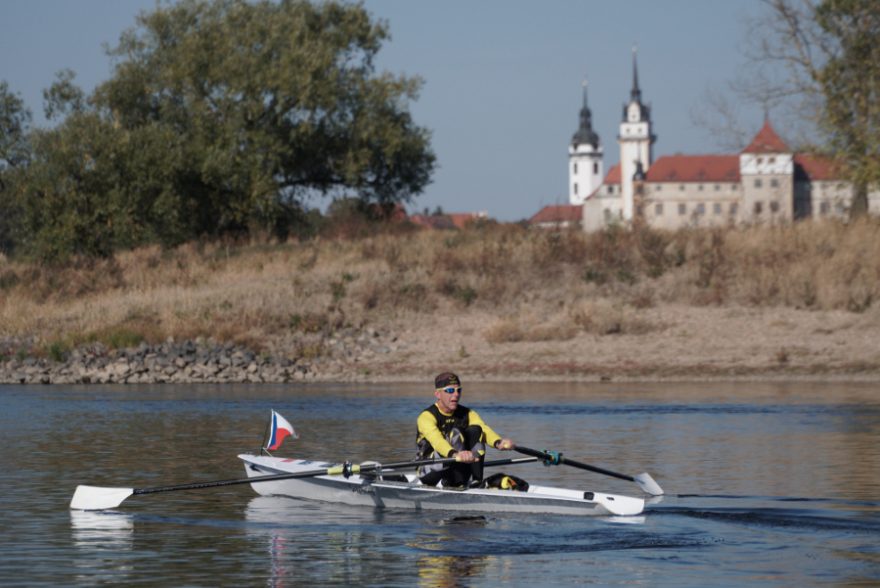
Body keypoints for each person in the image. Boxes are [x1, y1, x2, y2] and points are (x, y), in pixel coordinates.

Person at [416, 372, 515, 487]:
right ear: (438, 394)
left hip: (455, 464)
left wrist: (499, 442)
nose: (456, 394)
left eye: (459, 390)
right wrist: (455, 454)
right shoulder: (426, 416)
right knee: (456, 433)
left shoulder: (468, 413)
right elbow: (437, 441)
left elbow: (484, 429)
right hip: (428, 470)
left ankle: (476, 481)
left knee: (476, 430)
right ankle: (454, 482)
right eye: (450, 391)